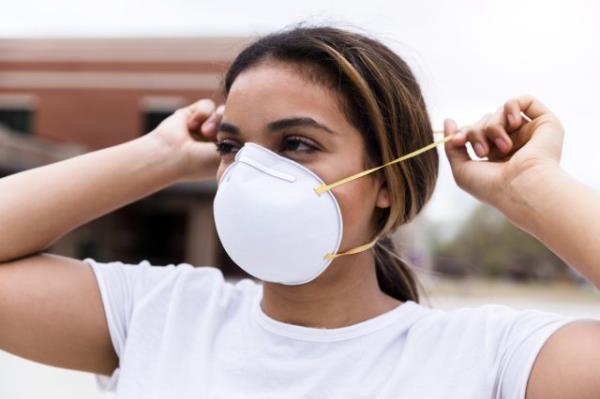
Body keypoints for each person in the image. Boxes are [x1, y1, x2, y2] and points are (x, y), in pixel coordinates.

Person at [0, 25, 598, 399]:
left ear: (387, 179)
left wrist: (533, 186)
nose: (253, 175)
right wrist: (155, 155)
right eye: (233, 146)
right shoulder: (157, 314)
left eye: (296, 145)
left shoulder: (491, 358)